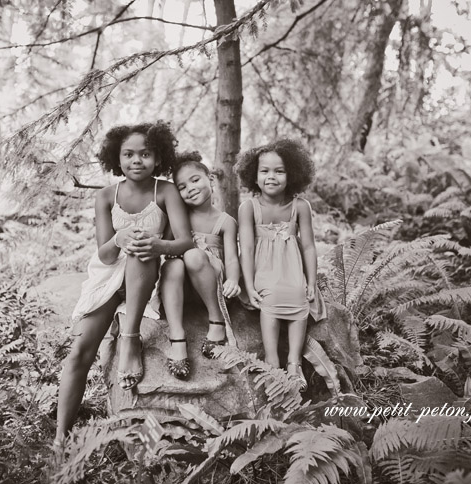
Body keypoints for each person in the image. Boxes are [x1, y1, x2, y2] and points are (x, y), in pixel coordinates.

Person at [55, 122, 193, 444]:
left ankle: (130, 339)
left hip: (146, 274)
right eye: (128, 154)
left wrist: (157, 245)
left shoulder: (166, 190)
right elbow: (104, 255)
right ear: (116, 159)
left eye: (145, 154)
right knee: (79, 352)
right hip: (109, 277)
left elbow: (185, 242)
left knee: (140, 250)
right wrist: (119, 237)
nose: (136, 161)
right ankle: (60, 437)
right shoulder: (106, 196)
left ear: (158, 158)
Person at [235, 139, 324, 392]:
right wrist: (249, 284)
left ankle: (294, 363)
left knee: (299, 296)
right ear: (254, 174)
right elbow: (248, 248)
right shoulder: (248, 207)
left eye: (279, 171)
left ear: (293, 174)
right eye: (264, 171)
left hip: (291, 267)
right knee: (270, 297)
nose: (271, 177)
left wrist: (312, 281)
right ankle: (272, 359)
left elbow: (307, 246)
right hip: (263, 268)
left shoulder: (300, 207)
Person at [159, 152, 241, 379]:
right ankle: (177, 337)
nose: (190, 188)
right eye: (182, 187)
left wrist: (233, 279)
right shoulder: (179, 215)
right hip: (184, 287)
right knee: (171, 266)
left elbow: (233, 257)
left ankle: (216, 320)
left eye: (195, 180)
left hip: (210, 282)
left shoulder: (225, 221)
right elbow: (167, 245)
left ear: (211, 180)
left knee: (194, 256)